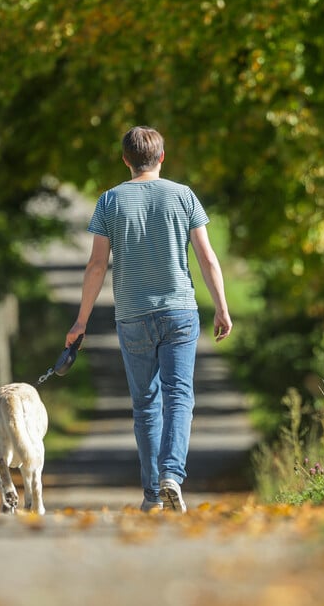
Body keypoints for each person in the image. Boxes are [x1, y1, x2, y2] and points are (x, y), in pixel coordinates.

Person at [64, 126, 232, 513]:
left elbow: (96, 265)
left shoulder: (109, 201)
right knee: (179, 396)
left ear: (125, 159)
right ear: (162, 157)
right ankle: (172, 474)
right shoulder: (183, 195)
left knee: (145, 405)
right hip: (179, 311)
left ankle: (153, 494)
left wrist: (80, 321)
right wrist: (221, 307)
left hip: (133, 314)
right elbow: (207, 257)